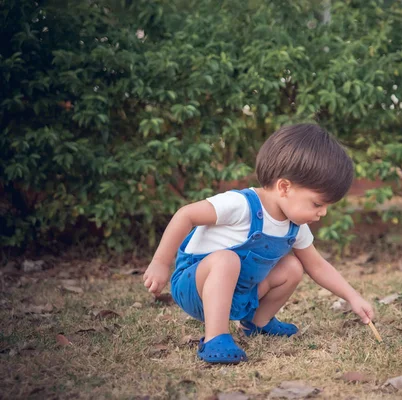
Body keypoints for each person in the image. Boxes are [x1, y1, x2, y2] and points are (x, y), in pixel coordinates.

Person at [143, 123, 375, 364]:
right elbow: (186, 214)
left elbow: (317, 266)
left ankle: (257, 323)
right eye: (317, 204)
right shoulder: (240, 205)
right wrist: (160, 262)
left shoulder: (295, 227)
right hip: (195, 287)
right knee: (226, 259)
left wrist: (353, 297)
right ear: (284, 187)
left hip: (240, 293)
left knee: (293, 267)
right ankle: (215, 337)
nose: (323, 213)